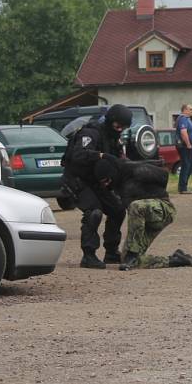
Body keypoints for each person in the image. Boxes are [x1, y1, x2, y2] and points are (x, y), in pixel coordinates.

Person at [61, 104, 132, 268]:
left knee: (118, 210)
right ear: (110, 121)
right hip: (76, 179)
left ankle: (111, 252)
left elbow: (116, 161)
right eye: (118, 125)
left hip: (95, 181)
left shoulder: (113, 138)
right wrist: (101, 155)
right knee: (94, 212)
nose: (120, 129)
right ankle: (88, 255)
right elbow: (79, 155)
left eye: (124, 126)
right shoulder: (90, 132)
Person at [93, 158, 192, 271]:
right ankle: (177, 260)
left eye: (107, 181)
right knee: (129, 260)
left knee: (136, 207)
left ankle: (132, 253)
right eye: (103, 183)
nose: (106, 185)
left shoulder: (134, 171)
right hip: (144, 218)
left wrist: (150, 193)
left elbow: (163, 175)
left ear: (112, 174)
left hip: (163, 209)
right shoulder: (117, 183)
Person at [176, 104, 192, 194]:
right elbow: (183, 132)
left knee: (189, 166)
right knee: (186, 166)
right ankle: (183, 188)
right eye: (190, 109)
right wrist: (188, 143)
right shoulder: (183, 118)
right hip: (185, 146)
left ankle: (183, 187)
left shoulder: (187, 119)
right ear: (185, 110)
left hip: (188, 147)